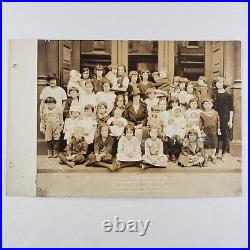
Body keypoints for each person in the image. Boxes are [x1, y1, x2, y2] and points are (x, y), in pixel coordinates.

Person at [213, 77, 234, 162]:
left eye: (220, 82)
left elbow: (231, 108)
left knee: (225, 136)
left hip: (225, 118)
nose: (218, 84)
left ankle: (223, 154)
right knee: (216, 135)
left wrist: (230, 120)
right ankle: (216, 153)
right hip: (215, 117)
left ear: (223, 83)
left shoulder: (228, 95)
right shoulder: (214, 94)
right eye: (217, 82)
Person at [200, 98, 221, 164]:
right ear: (203, 105)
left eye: (209, 104)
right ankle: (206, 156)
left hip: (214, 131)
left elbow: (218, 121)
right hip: (206, 132)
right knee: (206, 144)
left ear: (212, 105)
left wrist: (218, 129)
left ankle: (213, 156)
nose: (207, 105)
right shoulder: (202, 113)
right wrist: (202, 132)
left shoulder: (215, 113)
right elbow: (200, 123)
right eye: (205, 104)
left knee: (214, 144)